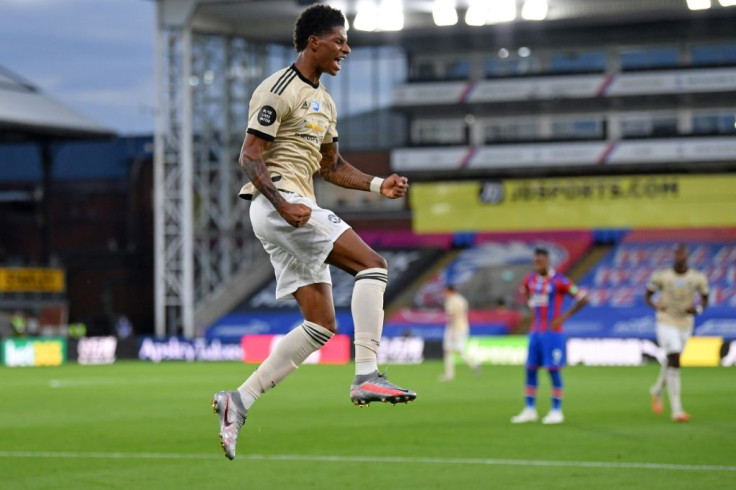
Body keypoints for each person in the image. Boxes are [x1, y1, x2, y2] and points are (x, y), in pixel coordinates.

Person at [211, 4, 416, 461]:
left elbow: (332, 166)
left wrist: (378, 184)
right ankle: (366, 374)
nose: (347, 48)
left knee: (321, 325)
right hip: (280, 203)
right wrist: (283, 203)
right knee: (373, 266)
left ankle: (237, 401)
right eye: (339, 40)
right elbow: (249, 156)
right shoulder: (278, 89)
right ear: (313, 43)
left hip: (295, 206)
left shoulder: (325, 101)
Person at [511, 248, 588, 425]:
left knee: (553, 370)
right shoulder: (529, 279)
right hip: (535, 331)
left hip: (553, 333)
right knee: (530, 369)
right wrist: (532, 305)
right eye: (535, 261)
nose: (537, 264)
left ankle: (556, 410)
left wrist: (563, 317)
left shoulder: (560, 281)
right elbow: (525, 292)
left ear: (548, 262)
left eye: (541, 261)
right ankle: (529, 409)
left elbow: (583, 298)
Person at [644, 244, 709, 423]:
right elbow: (647, 295)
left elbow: (705, 298)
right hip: (666, 319)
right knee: (674, 357)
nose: (679, 257)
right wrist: (655, 304)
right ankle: (677, 409)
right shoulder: (663, 276)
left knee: (673, 359)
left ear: (687, 256)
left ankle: (657, 389)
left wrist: (697, 309)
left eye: (682, 254)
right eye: (676, 254)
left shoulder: (697, 277)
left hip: (685, 322)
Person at [439, 285, 480, 381]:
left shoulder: (451, 301)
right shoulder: (462, 299)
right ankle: (473, 364)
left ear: (449, 291)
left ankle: (449, 375)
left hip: (454, 328)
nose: (444, 294)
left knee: (447, 350)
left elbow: (452, 316)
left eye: (445, 291)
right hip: (464, 327)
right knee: (459, 350)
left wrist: (452, 330)